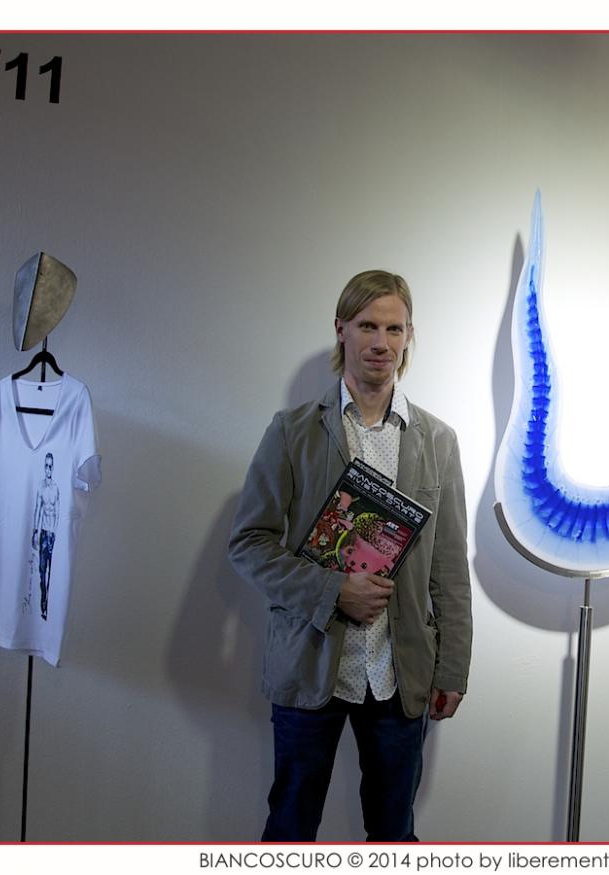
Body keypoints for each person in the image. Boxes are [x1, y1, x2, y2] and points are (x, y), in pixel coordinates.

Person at [228, 269, 472, 842]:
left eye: (394, 328)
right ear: (341, 329)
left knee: (394, 835)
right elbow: (249, 543)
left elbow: (450, 566)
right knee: (291, 831)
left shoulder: (438, 440)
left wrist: (453, 668)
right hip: (310, 663)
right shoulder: (292, 432)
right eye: (367, 326)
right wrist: (332, 590)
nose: (380, 342)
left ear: (409, 336)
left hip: (401, 672)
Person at [31, 452, 59, 619]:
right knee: (42, 571)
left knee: (51, 572)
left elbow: (57, 512)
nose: (48, 469)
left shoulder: (56, 488)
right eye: (46, 466)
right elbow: (37, 509)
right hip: (42, 534)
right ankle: (43, 601)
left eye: (50, 466)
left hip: (51, 534)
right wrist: (35, 532)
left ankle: (47, 605)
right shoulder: (40, 487)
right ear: (44, 467)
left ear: (53, 468)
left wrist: (54, 533)